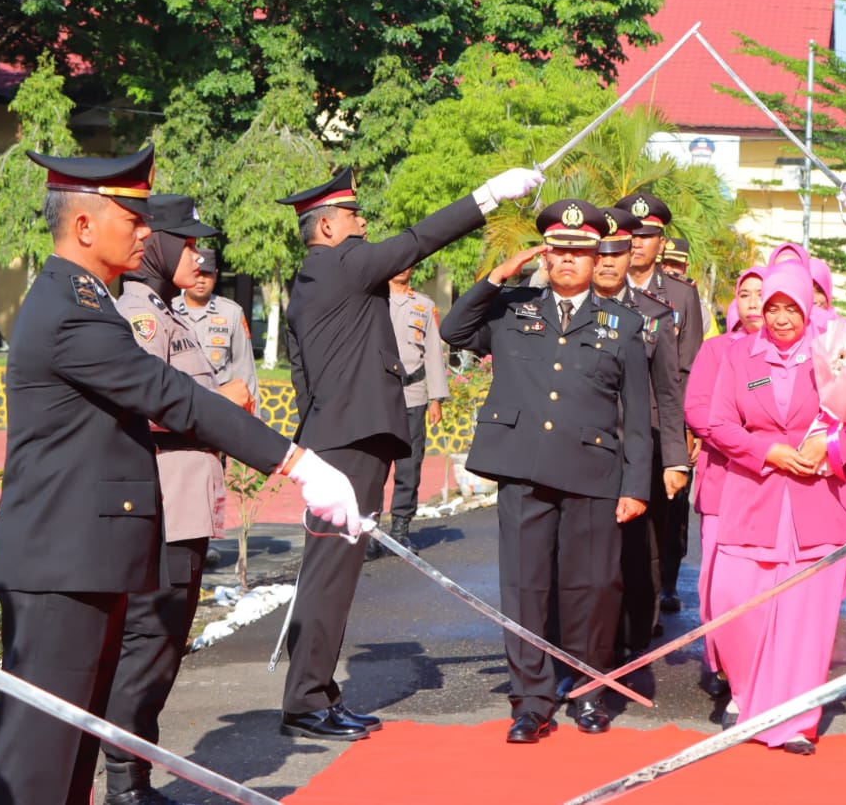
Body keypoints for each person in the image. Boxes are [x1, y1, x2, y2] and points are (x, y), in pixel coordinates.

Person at [0, 147, 362, 805]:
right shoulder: (71, 308)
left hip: (82, 559)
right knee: (38, 756)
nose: (146, 230)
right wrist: (297, 463)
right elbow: (171, 394)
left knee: (68, 754)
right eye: (131, 217)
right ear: (86, 225)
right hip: (59, 565)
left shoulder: (89, 300)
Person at [276, 163, 541, 740]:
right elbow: (421, 239)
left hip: (336, 438)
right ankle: (305, 701)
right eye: (352, 215)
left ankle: (316, 691)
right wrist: (489, 194)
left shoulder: (315, 277)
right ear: (325, 228)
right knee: (330, 575)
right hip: (348, 443)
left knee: (334, 575)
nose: (363, 221)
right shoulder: (341, 263)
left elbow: (302, 375)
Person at [440, 199, 651, 743]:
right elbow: (453, 329)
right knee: (524, 588)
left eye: (579, 253)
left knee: (593, 589)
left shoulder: (622, 324)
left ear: (594, 257)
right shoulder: (511, 308)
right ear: (546, 256)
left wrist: (636, 486)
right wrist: (497, 276)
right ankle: (530, 701)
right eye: (558, 251)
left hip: (593, 474)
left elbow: (637, 416)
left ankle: (587, 692)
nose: (567, 261)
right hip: (524, 470)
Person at [705, 262, 846, 755]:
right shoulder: (741, 355)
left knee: (807, 619)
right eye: (773, 308)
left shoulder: (835, 354)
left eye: (791, 308)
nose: (782, 318)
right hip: (753, 496)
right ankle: (747, 697)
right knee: (733, 605)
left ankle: (795, 722)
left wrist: (827, 452)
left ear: (808, 309)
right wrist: (766, 451)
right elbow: (718, 423)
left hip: (820, 501)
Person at [101, 196, 246, 805]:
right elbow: (142, 405)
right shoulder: (141, 314)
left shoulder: (165, 312)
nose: (197, 253)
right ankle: (123, 783)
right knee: (149, 647)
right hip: (163, 505)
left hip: (183, 503)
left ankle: (133, 774)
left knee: (160, 647)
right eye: (184, 242)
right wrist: (219, 408)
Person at [593, 207, 687, 658]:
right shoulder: (573, 307)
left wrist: (674, 458)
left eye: (618, 252)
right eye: (602, 253)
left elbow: (669, 393)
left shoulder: (655, 314)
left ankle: (637, 630)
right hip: (585, 445)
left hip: (639, 443)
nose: (610, 262)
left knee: (641, 542)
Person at [684, 267, 763, 702]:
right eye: (745, 294)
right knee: (717, 580)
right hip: (723, 477)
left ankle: (758, 662)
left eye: (762, 294)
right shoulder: (716, 349)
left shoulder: (793, 352)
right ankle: (721, 661)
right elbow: (697, 409)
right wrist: (742, 442)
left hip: (773, 483)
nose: (753, 303)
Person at [382, 265, 449, 552]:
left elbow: (433, 352)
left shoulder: (424, 305)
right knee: (374, 465)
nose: (401, 268)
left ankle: (400, 528)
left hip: (414, 394)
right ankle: (368, 530)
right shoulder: (373, 300)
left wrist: (436, 398)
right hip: (377, 395)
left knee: (409, 464)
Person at [173, 247, 258, 401]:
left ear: (216, 275)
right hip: (179, 402)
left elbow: (244, 370)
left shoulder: (231, 312)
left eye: (207, 274)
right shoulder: (169, 310)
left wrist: (253, 417)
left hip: (220, 404)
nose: (201, 280)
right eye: (197, 273)